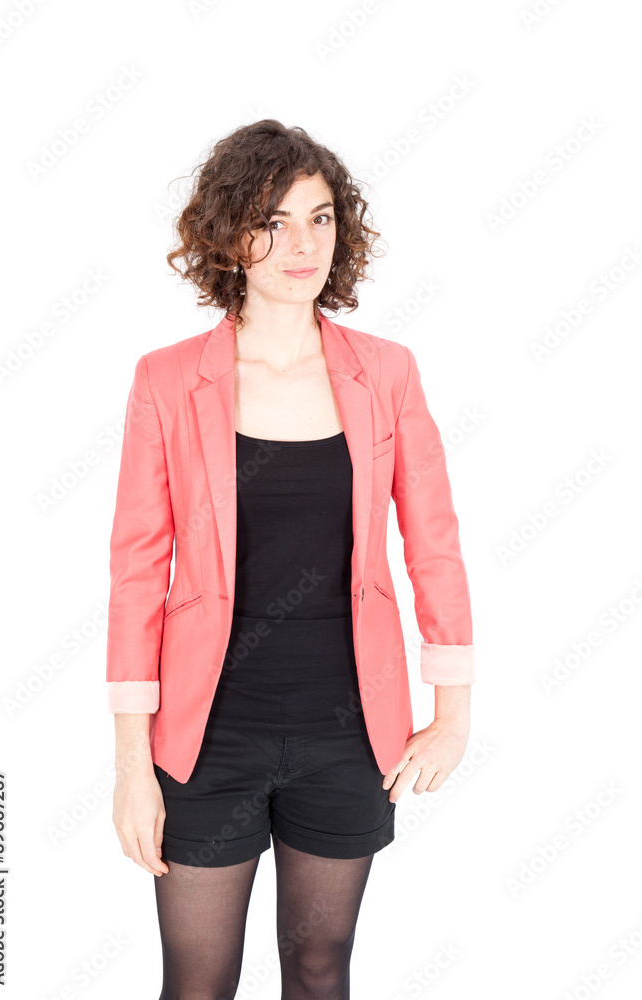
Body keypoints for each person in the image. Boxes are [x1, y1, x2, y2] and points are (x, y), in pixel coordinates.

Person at [106, 119, 475, 1000]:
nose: (301, 244)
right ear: (229, 235)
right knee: (197, 983)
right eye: (271, 222)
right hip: (202, 737)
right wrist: (129, 768)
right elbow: (136, 573)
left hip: (348, 731)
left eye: (319, 218)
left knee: (318, 969)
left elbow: (434, 542)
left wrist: (452, 712)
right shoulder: (166, 380)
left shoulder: (387, 372)